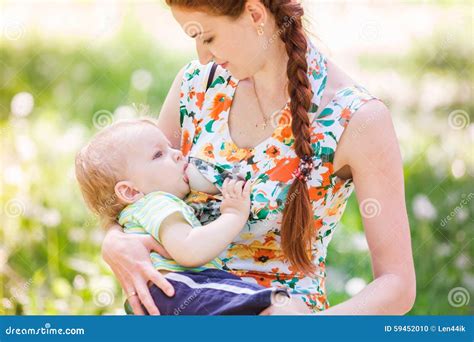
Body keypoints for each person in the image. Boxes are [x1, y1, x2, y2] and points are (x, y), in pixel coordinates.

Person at [101, 0, 416, 315]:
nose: (202, 55)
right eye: (194, 39)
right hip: (186, 307)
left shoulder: (355, 118)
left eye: (208, 37)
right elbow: (136, 193)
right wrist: (114, 241)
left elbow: (397, 285)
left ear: (255, 14)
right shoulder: (197, 85)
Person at [75, 118, 307, 315]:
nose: (177, 154)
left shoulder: (135, 214)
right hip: (180, 289)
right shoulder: (157, 203)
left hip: (168, 298)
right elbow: (189, 250)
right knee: (282, 306)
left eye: (169, 148)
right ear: (130, 191)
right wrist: (233, 215)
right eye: (158, 154)